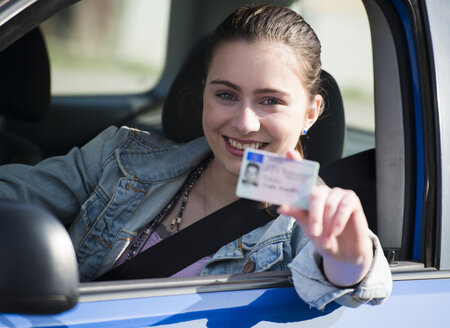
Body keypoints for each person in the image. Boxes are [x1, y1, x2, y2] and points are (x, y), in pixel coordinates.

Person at [0, 5, 391, 310]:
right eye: (226, 95)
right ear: (203, 92)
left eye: (270, 101)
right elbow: (13, 196)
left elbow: (359, 283)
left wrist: (348, 264)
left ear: (311, 112)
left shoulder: (313, 218)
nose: (244, 121)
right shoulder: (121, 156)